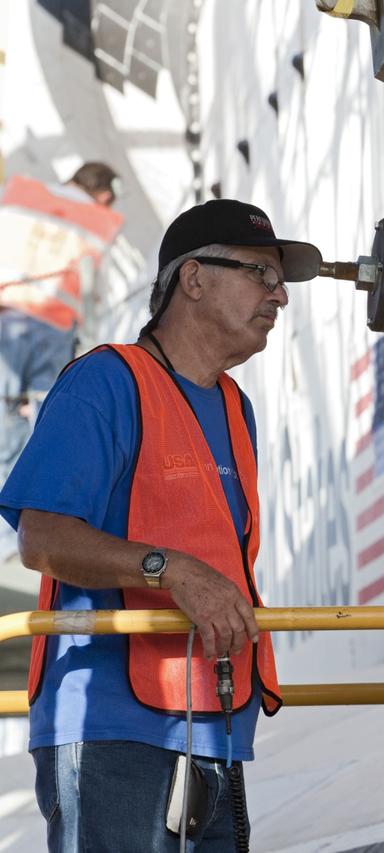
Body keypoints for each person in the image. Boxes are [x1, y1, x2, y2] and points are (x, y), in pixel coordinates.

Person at [0, 198, 321, 850]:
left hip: (215, 726)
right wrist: (169, 569)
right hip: (113, 727)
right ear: (193, 278)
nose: (280, 295)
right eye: (262, 272)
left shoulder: (236, 407)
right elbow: (42, 536)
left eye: (280, 279)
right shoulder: (104, 382)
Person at [0, 162, 125, 487]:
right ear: (105, 194)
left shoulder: (20, 194)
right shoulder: (96, 221)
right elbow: (94, 296)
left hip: (5, 316)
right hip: (54, 329)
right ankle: (22, 511)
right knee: (45, 418)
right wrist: (89, 352)